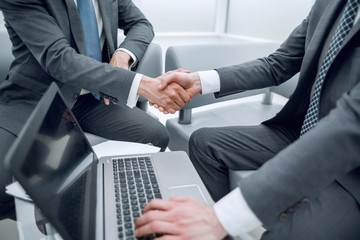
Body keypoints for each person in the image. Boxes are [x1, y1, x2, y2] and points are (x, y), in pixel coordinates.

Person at [135, 0, 360, 239]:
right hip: (304, 131)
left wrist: (221, 217)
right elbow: (277, 64)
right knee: (204, 143)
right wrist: (200, 81)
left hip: (351, 170)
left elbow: (350, 123)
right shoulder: (329, 4)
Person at [0, 0, 191, 221]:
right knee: (1, 182)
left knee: (155, 136)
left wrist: (124, 53)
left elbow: (141, 23)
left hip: (91, 98)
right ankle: (55, 217)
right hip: (36, 96)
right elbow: (59, 60)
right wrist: (141, 85)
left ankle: (112, 206)